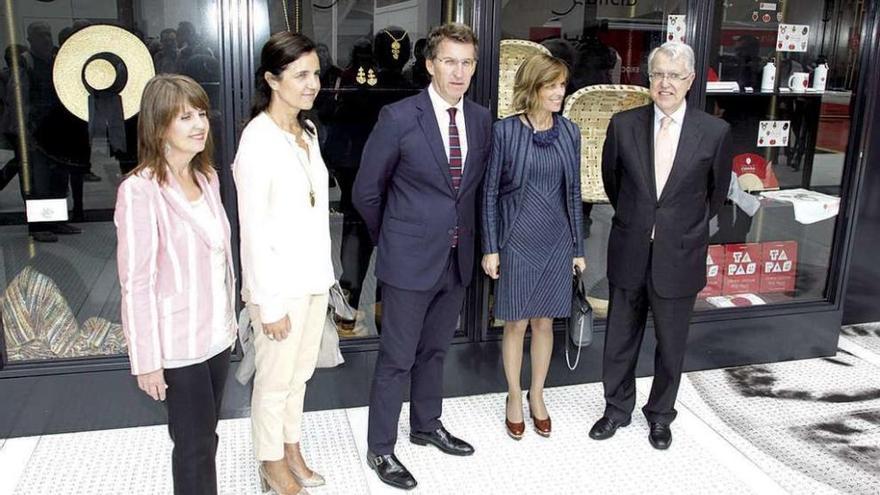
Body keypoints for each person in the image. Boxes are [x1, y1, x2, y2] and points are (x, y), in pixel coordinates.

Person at [352, 22, 492, 490]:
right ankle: (381, 449)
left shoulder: (479, 118)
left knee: (435, 351)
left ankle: (426, 425)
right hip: (409, 260)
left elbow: (472, 193)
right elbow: (367, 192)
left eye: (467, 62)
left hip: (456, 258)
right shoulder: (398, 117)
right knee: (396, 358)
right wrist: (392, 239)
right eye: (449, 61)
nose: (459, 71)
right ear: (430, 64)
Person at [589, 41, 732, 450]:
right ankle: (616, 409)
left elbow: (715, 194)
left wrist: (675, 227)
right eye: (658, 74)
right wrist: (642, 220)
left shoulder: (714, 132)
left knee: (671, 345)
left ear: (689, 80)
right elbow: (613, 181)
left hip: (679, 254)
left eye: (674, 75)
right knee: (619, 338)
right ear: (648, 79)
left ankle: (660, 415)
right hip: (631, 247)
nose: (665, 83)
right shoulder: (624, 124)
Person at [115, 74, 235, 494]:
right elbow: (136, 282)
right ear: (159, 124)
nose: (200, 124)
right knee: (193, 443)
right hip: (178, 343)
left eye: (201, 113)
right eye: (185, 117)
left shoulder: (207, 178)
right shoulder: (140, 191)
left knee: (208, 434)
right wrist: (146, 359)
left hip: (218, 335)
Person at [233, 31, 333, 495]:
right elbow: (252, 233)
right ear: (272, 79)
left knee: (301, 375)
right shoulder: (257, 142)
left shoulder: (306, 131)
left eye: (314, 73)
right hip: (278, 287)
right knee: (273, 382)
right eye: (300, 75)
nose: (312, 84)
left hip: (313, 279)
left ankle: (291, 447)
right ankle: (270, 463)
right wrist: (267, 305)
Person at [481, 53, 585, 440]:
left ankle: (537, 394)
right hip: (516, 238)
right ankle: (512, 395)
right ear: (533, 88)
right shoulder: (505, 131)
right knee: (516, 322)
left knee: (546, 322)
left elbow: (573, 192)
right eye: (552, 85)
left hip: (557, 239)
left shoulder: (571, 132)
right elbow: (489, 192)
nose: (560, 92)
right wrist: (491, 246)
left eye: (562, 84)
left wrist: (578, 247)